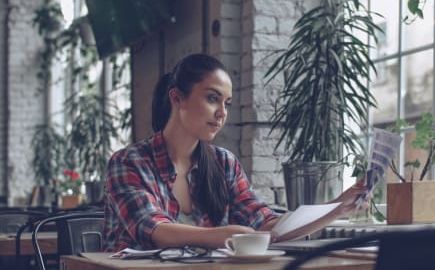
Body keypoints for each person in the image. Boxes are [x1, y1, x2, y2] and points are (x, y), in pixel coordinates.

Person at [102, 53, 369, 252]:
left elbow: (267, 226)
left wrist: (336, 209)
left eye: (226, 103)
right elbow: (156, 231)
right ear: (177, 98)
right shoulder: (128, 163)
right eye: (211, 98)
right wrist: (228, 235)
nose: (222, 113)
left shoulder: (224, 163)